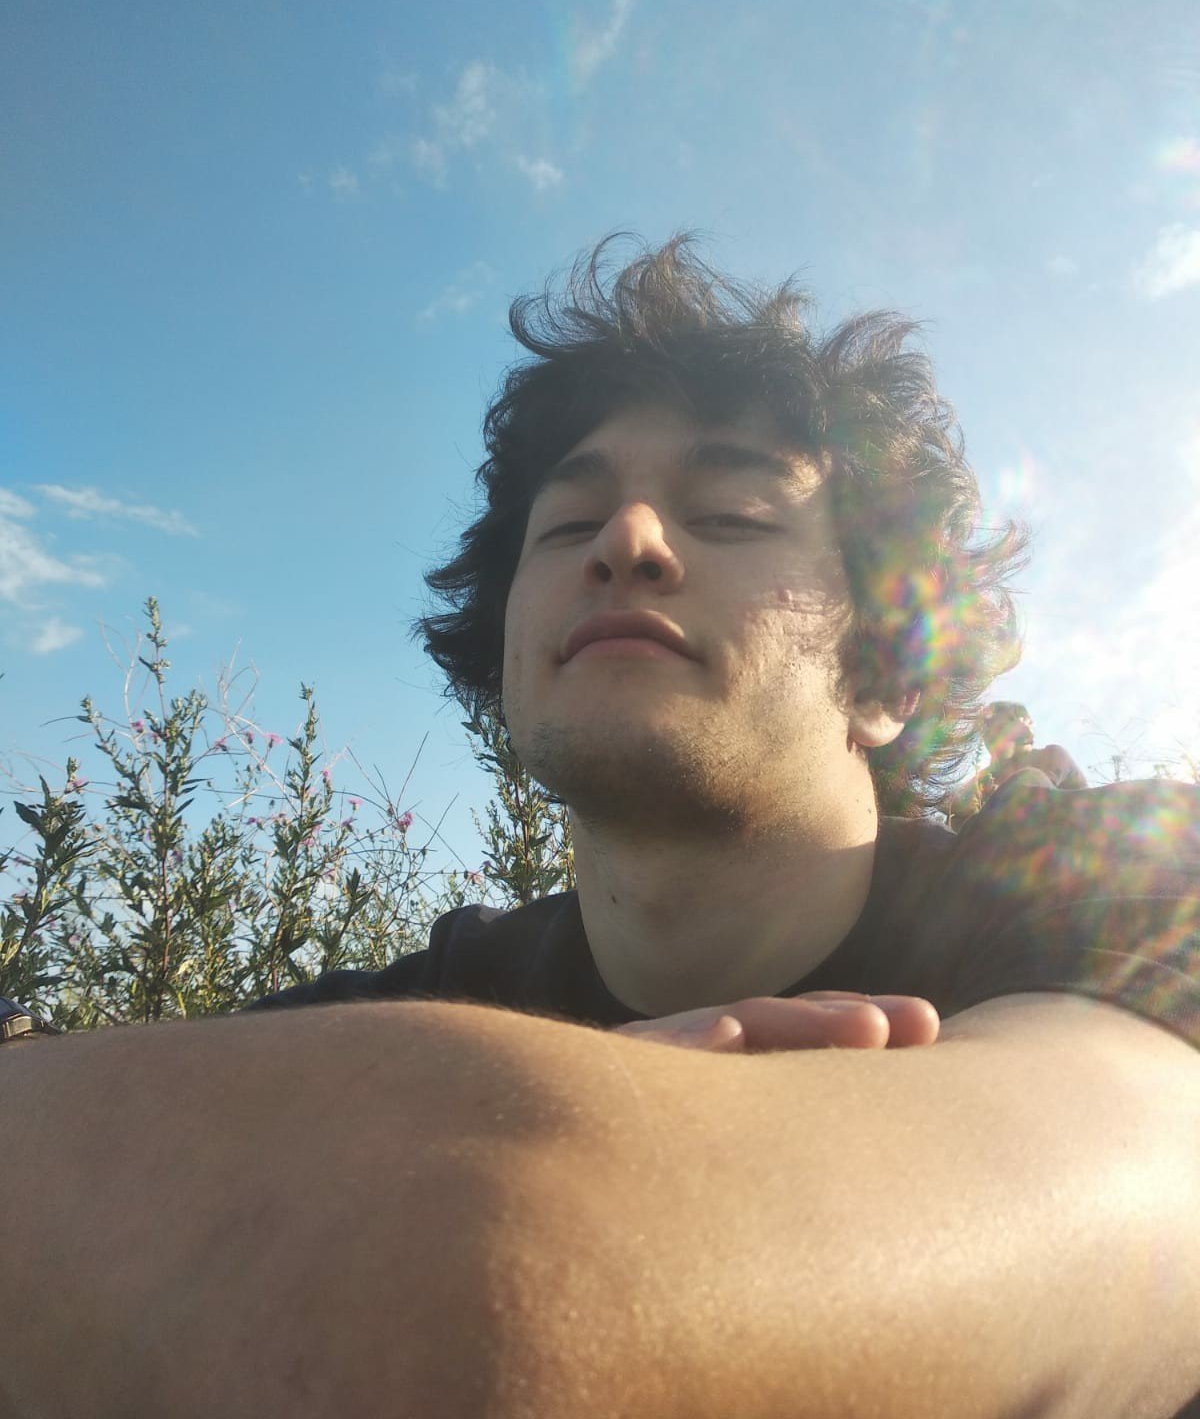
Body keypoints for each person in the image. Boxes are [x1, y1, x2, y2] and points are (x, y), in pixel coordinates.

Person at [4, 235, 1199, 1419]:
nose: (627, 538)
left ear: (886, 677)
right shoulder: (449, 984)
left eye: (731, 512)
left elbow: (490, 1314)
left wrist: (520, 1158)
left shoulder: (1125, 884)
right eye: (567, 526)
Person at [944, 699, 1089, 829]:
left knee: (1029, 777)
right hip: (1002, 843)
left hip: (1071, 836)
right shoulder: (984, 778)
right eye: (990, 733)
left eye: (1004, 729)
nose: (999, 737)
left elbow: (1033, 802)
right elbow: (955, 817)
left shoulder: (1052, 754)